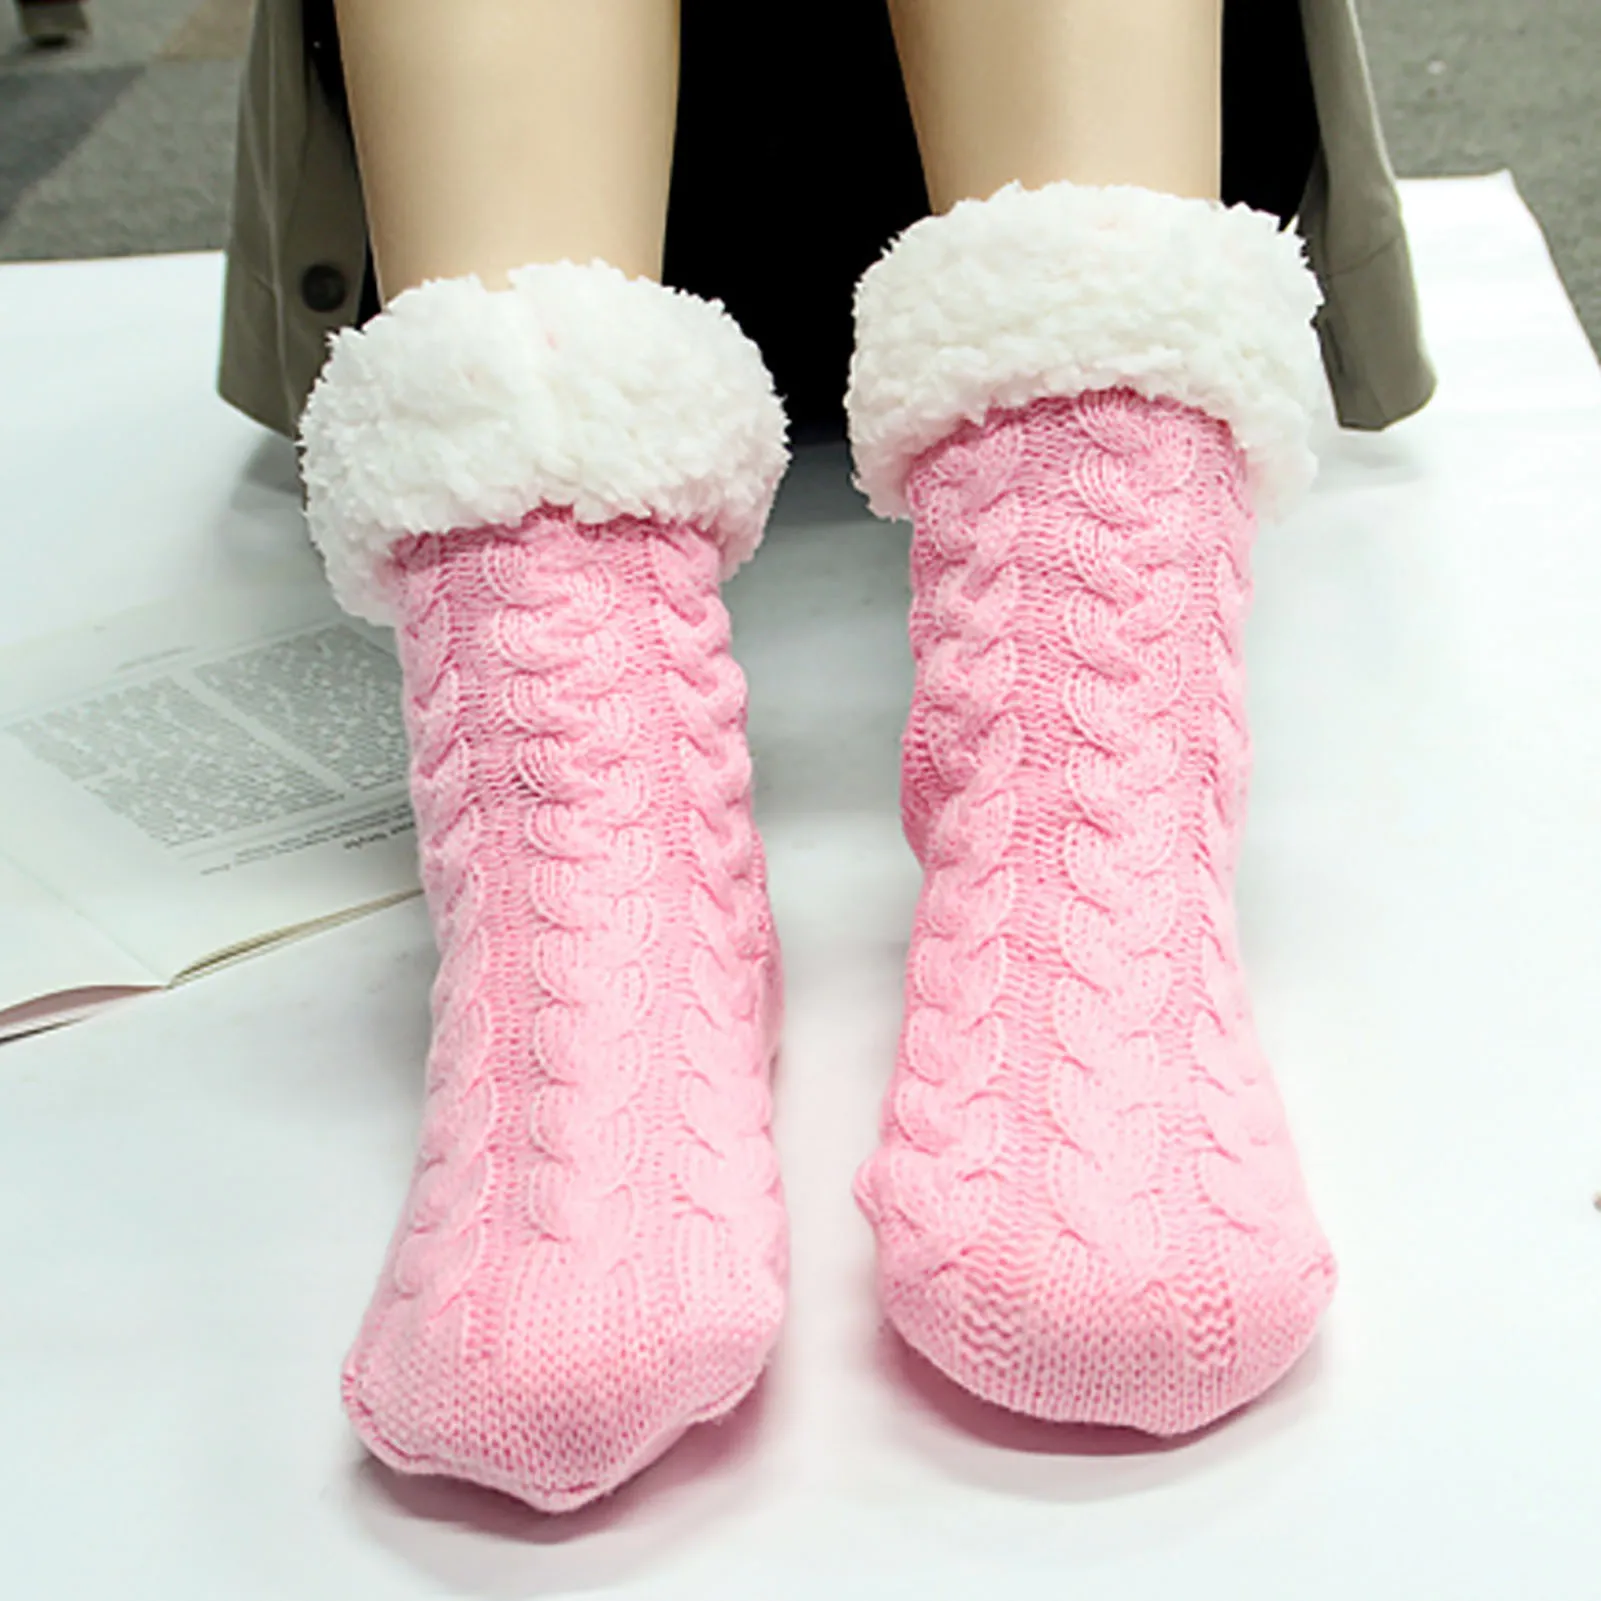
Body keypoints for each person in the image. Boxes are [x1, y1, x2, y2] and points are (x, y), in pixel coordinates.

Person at [244, 0, 1436, 1513]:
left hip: (1098, 129)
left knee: (1088, 687)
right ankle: (600, 865)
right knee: (561, 649)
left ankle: (1085, 797)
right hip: (572, 182)